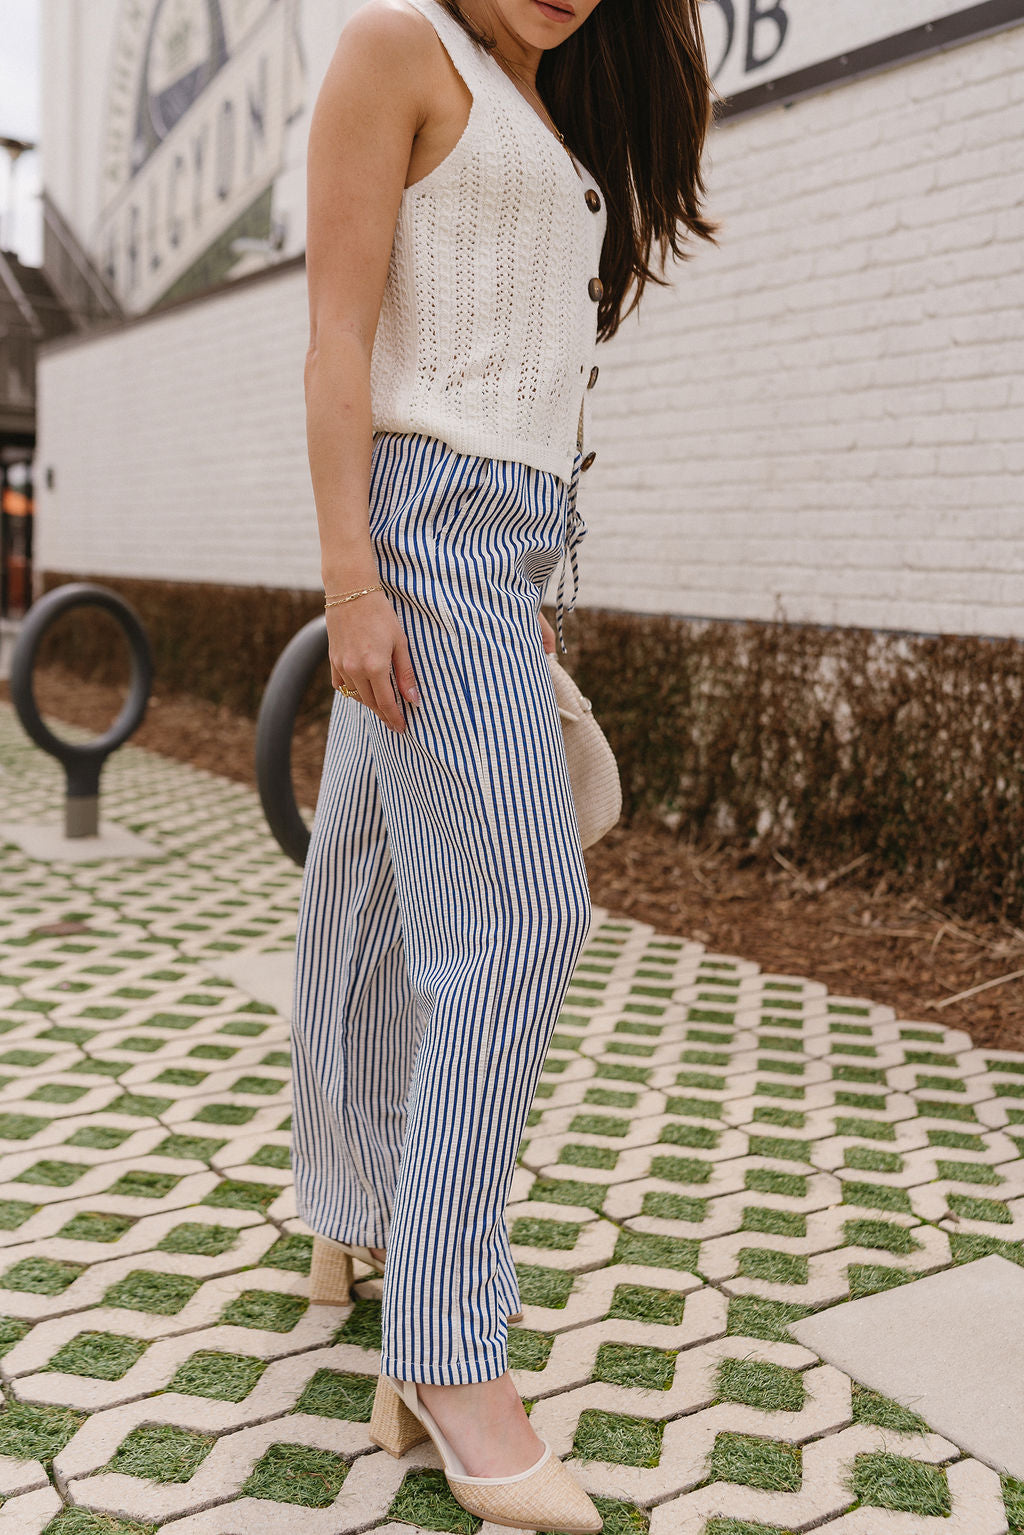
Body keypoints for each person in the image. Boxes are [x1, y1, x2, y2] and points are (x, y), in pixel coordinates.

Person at [290, 0, 718, 1526]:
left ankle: (346, 1206)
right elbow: (339, 331)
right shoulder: (400, 46)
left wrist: (518, 594)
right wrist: (354, 579)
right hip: (424, 535)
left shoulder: (538, 99)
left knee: (374, 892)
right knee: (526, 919)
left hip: (505, 547)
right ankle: (453, 1350)